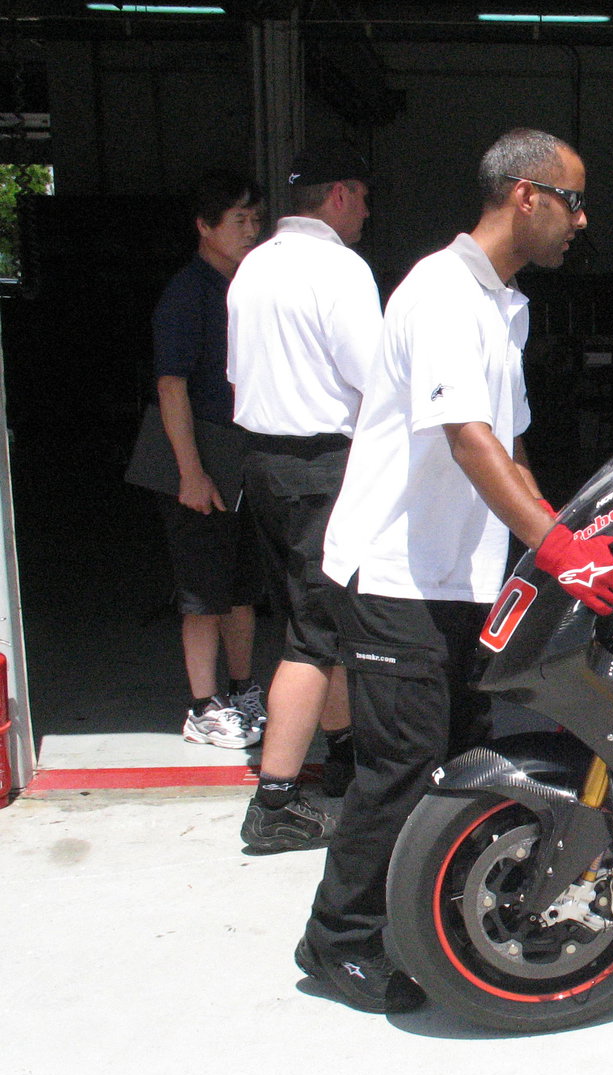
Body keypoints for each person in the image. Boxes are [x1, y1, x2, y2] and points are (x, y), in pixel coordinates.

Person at [295, 128, 613, 1014]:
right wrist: (559, 551)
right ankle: (338, 942)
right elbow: (468, 440)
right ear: (526, 195)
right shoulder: (441, 292)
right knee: (399, 767)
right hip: (396, 572)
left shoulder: (505, 304)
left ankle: (416, 910)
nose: (581, 221)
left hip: (461, 578)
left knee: (461, 758)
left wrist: (560, 538)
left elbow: (511, 450)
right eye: (574, 200)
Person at [228, 142, 377, 853]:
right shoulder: (340, 270)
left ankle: (344, 750)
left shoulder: (252, 265)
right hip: (322, 465)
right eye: (365, 199)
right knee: (315, 636)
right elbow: (377, 378)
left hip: (263, 462)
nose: (368, 213)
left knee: (316, 614)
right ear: (341, 194)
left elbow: (237, 372)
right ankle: (277, 801)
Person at [152, 169, 266, 749]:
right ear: (204, 227)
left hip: (244, 457)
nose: (251, 230)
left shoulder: (249, 288)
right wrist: (190, 473)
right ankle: (203, 706)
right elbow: (171, 387)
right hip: (201, 457)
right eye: (238, 220)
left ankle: (243, 691)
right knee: (202, 594)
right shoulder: (186, 294)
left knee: (242, 588)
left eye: (255, 219)